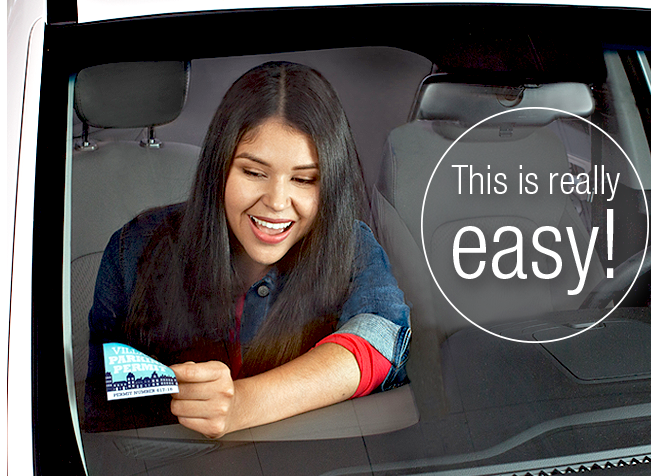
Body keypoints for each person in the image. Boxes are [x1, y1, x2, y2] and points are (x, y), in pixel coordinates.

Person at [84, 61, 411, 438]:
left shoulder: (350, 246)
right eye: (254, 173)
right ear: (219, 167)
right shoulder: (134, 249)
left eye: (304, 179)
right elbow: (102, 415)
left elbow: (382, 337)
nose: (276, 201)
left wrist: (243, 404)